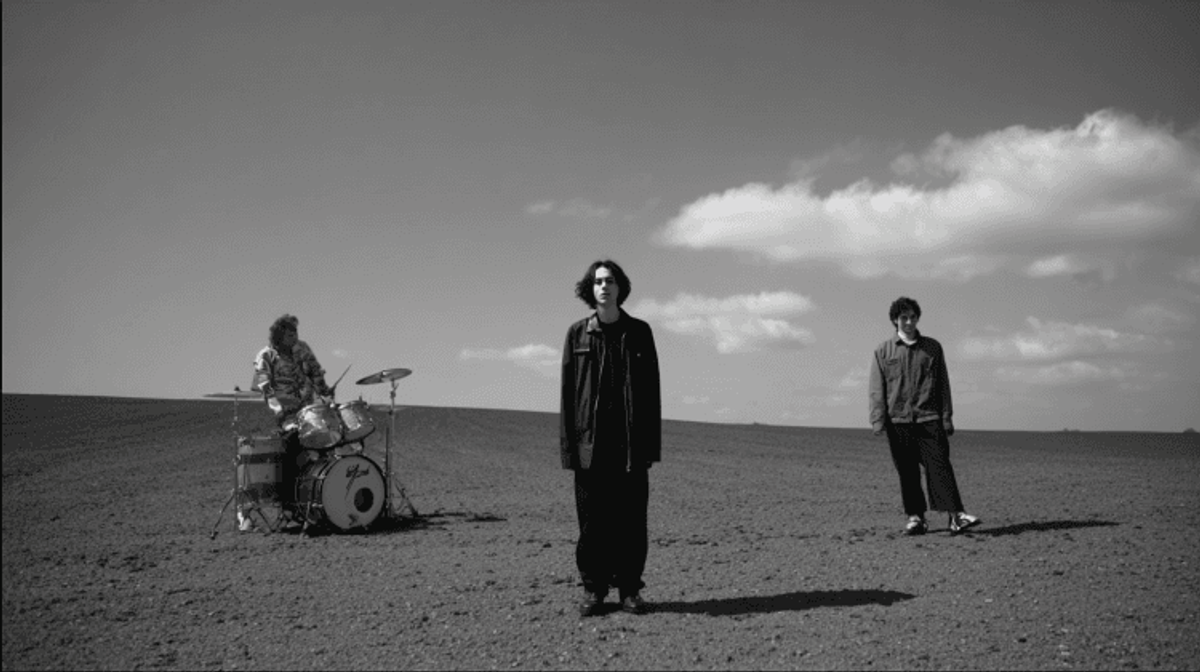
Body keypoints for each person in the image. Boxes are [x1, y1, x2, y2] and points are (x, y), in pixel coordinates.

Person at [560, 260, 661, 617]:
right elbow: (568, 396)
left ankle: (630, 590)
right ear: (591, 289)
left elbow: (652, 393)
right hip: (591, 448)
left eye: (610, 281)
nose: (604, 286)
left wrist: (650, 447)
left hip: (630, 447)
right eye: (598, 281)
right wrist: (570, 450)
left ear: (621, 288)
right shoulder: (577, 334)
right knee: (592, 524)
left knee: (632, 522)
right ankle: (594, 590)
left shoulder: (640, 332)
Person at [869, 297, 980, 536]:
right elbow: (877, 388)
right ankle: (916, 517)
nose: (909, 322)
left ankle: (956, 516)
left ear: (918, 319)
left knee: (939, 466)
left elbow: (943, 385)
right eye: (904, 318)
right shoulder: (883, 351)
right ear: (894, 320)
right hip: (898, 421)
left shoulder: (933, 348)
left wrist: (947, 417)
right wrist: (877, 419)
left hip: (929, 418)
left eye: (913, 317)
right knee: (907, 472)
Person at [247, 314, 333, 531]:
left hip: (309, 410)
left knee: (325, 448)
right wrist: (278, 407)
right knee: (291, 452)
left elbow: (315, 372)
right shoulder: (266, 355)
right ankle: (290, 506)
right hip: (287, 415)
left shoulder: (302, 349)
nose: (295, 337)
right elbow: (263, 385)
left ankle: (326, 502)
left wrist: (325, 391)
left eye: (296, 332)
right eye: (290, 333)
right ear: (279, 335)